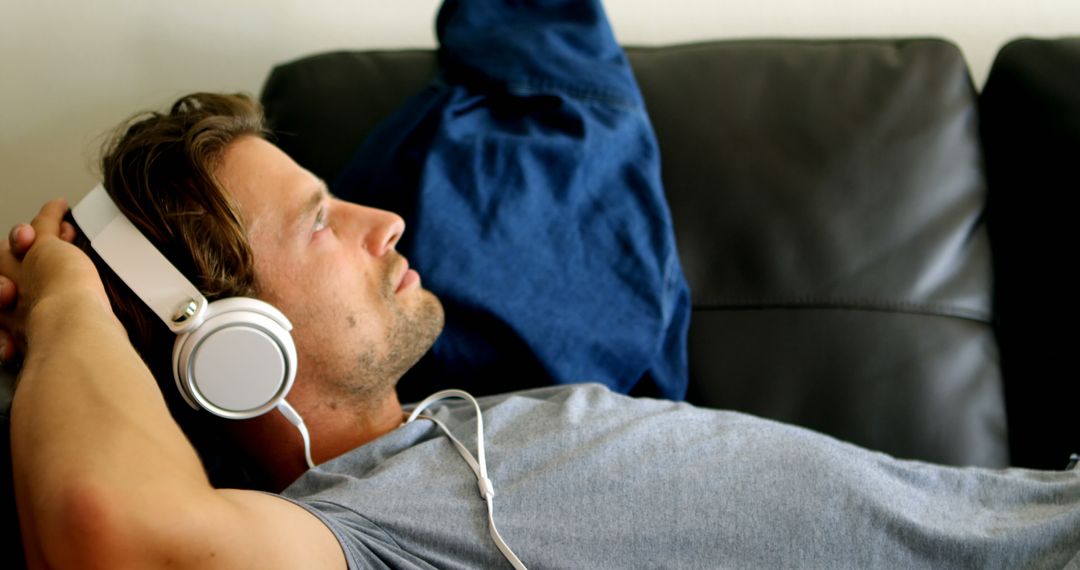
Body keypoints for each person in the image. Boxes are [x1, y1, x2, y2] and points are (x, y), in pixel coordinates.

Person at [2, 1, 1078, 569]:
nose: (387, 222)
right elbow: (116, 530)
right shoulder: (367, 529)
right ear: (233, 347)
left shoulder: (462, 431)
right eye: (323, 222)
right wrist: (64, 294)